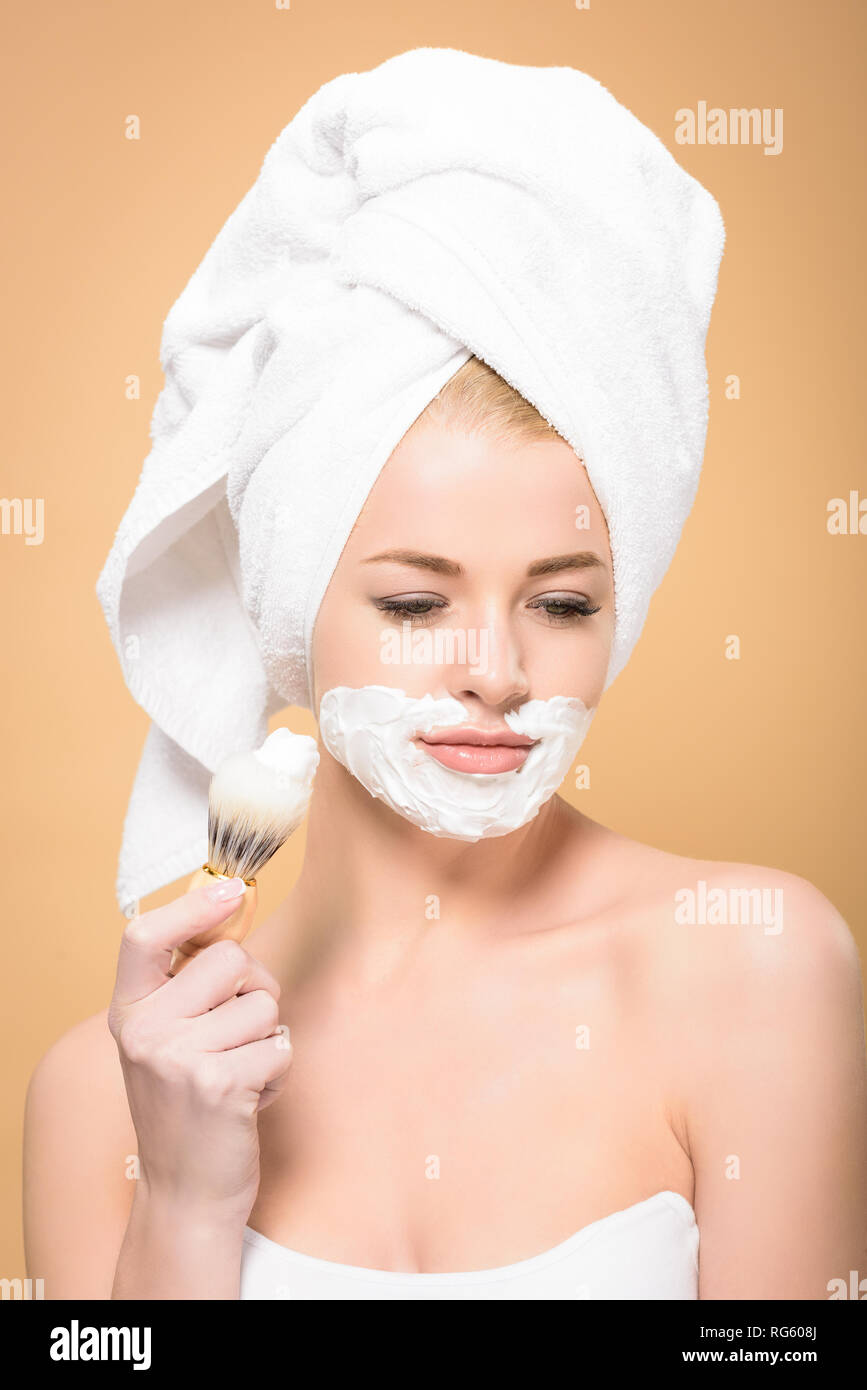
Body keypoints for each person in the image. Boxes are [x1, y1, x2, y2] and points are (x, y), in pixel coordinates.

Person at [23, 356, 867, 1299]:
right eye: (415, 605)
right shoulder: (109, 1092)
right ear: (286, 612)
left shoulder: (748, 961)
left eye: (560, 604)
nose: (497, 671)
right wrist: (181, 1206)